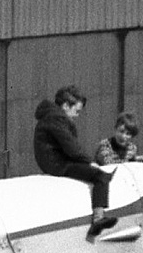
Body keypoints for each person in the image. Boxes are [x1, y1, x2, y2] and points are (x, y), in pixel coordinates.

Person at [33, 85, 117, 236]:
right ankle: (98, 219)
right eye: (76, 111)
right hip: (59, 165)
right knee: (101, 176)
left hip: (54, 163)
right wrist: (89, 162)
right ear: (65, 106)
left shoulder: (50, 116)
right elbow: (72, 148)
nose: (77, 116)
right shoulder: (57, 118)